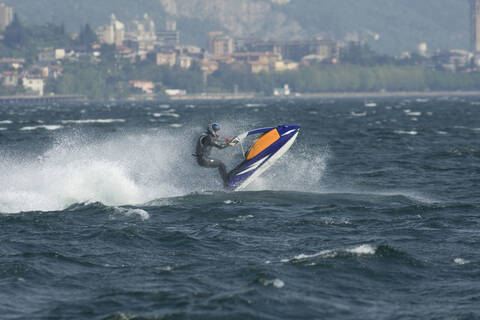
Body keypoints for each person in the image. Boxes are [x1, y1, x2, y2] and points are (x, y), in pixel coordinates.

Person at [194, 123, 237, 187]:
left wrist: (226, 140)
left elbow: (217, 140)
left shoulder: (207, 136)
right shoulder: (209, 138)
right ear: (212, 131)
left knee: (221, 165)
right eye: (217, 131)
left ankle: (226, 180)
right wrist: (230, 143)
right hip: (203, 160)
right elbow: (220, 146)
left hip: (202, 159)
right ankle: (227, 183)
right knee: (221, 165)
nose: (218, 132)